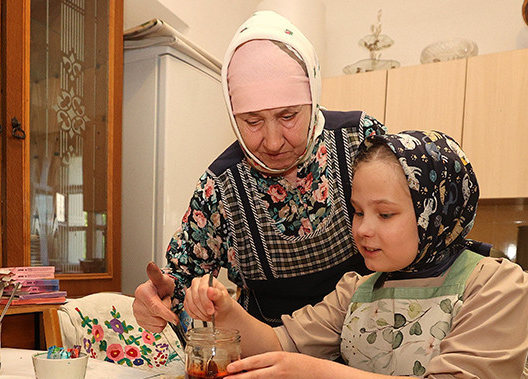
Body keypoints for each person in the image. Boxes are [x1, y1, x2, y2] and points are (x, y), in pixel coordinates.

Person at [183, 130, 528, 379]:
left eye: (384, 214)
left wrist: (317, 375)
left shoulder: (495, 285)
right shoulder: (357, 290)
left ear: (435, 213)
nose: (363, 229)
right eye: (358, 211)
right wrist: (226, 311)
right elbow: (279, 344)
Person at [134, 11, 386, 333]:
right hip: (266, 358)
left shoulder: (360, 141)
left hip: (366, 345)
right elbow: (180, 280)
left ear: (314, 98)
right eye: (252, 121)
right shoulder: (220, 187)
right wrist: (162, 295)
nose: (272, 141)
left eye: (288, 116)